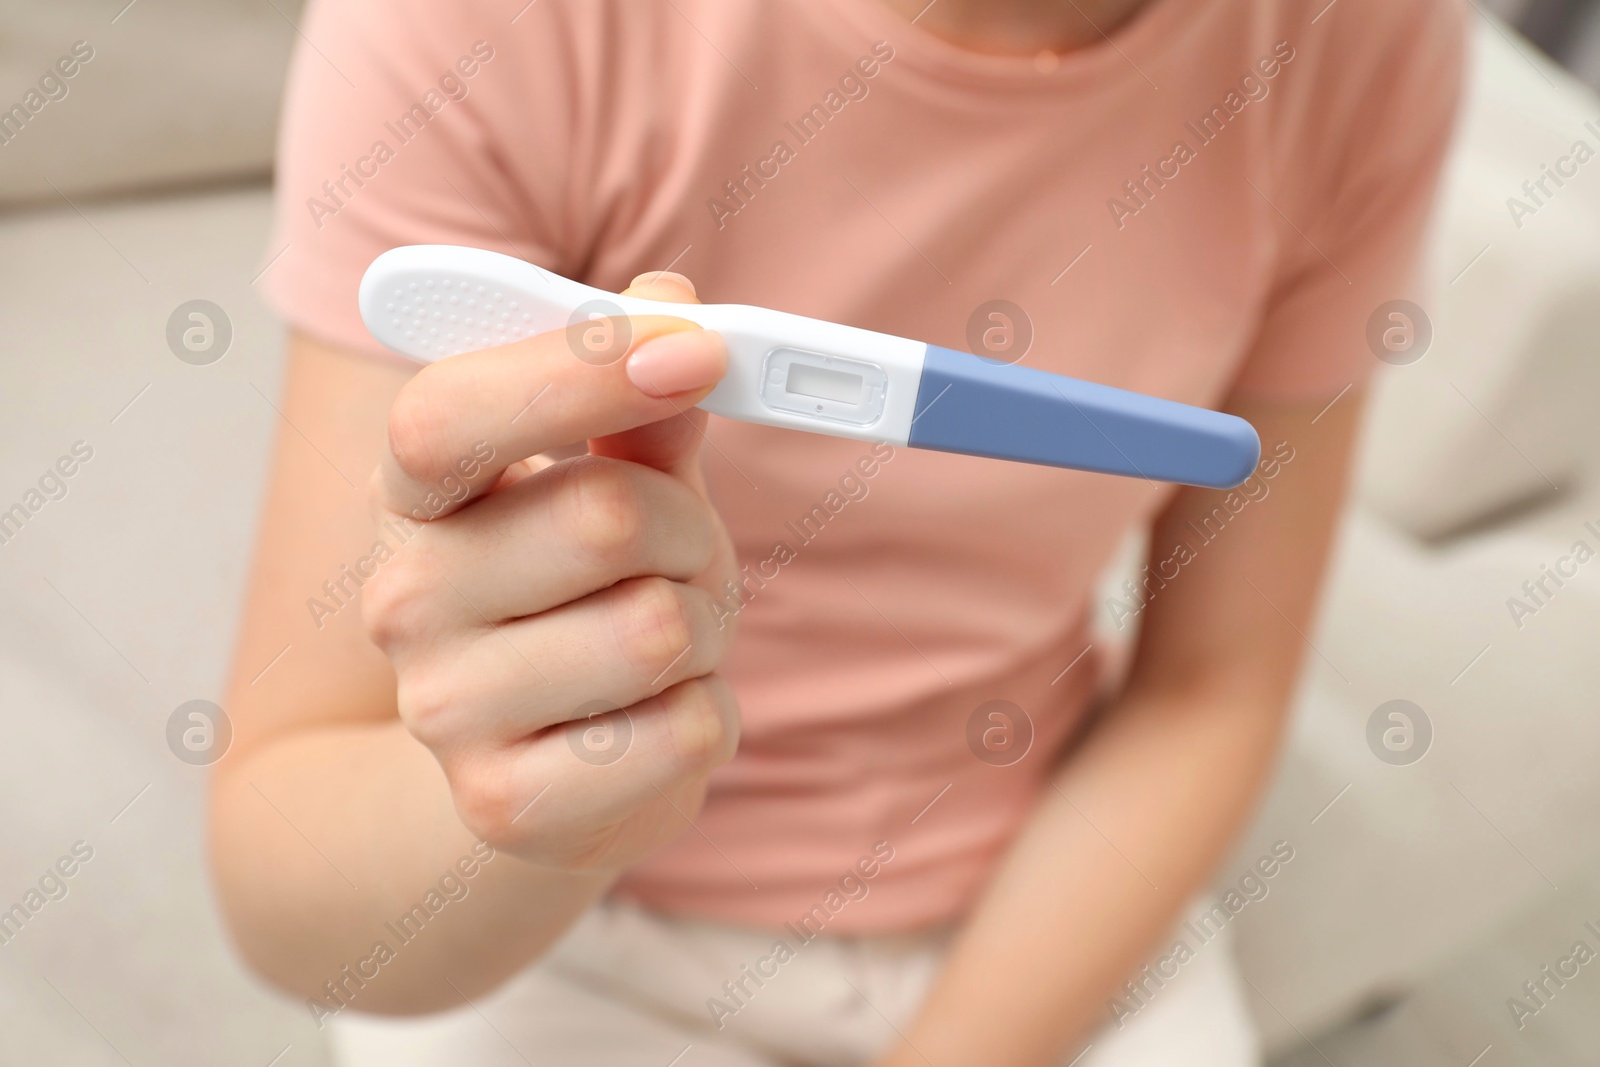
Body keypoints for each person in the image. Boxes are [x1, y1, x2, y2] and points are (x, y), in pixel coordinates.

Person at [209, 0, 1464, 1062]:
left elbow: (1213, 682)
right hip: (552, 941)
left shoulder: (1364, 41)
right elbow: (284, 886)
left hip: (1029, 911)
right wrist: (545, 794)